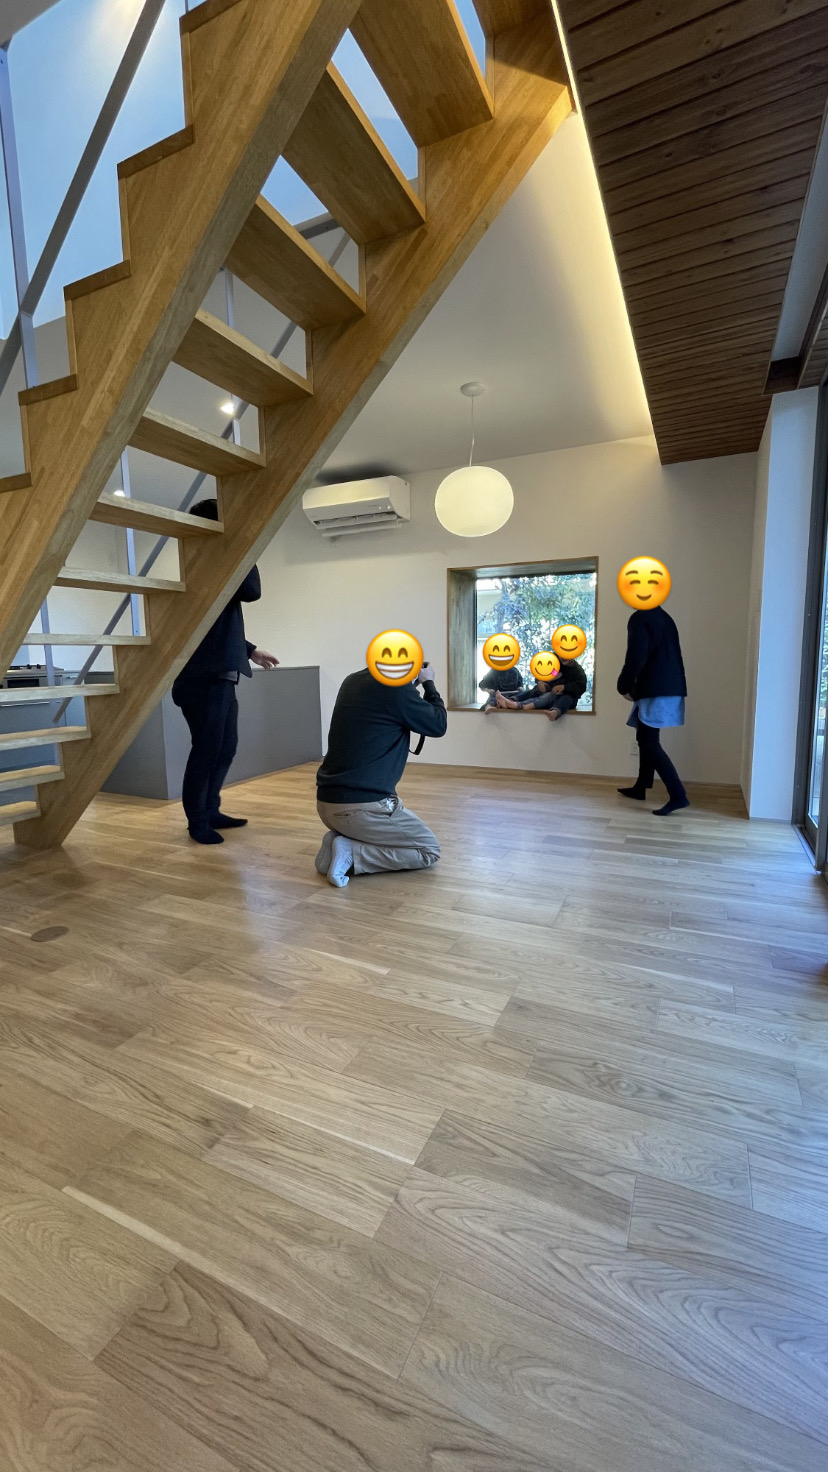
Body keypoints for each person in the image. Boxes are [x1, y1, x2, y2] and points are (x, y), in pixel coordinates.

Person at [171, 499, 279, 844]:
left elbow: (213, 625)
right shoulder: (209, 565)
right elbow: (252, 591)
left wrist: (250, 650)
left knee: (225, 747)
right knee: (207, 749)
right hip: (203, 678)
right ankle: (197, 821)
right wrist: (243, 542)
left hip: (219, 675)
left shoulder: (212, 566)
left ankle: (210, 810)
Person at [316, 660, 447, 886]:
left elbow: (386, 704)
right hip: (362, 809)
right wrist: (428, 683)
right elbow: (438, 724)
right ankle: (352, 852)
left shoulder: (352, 680)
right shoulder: (396, 688)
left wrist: (410, 685)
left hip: (327, 804)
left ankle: (336, 842)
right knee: (428, 850)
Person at [617, 603, 688, 815]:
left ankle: (678, 795)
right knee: (644, 737)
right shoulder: (664, 616)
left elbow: (636, 656)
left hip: (656, 688)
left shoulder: (641, 618)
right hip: (668, 686)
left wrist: (623, 685)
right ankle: (641, 786)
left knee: (649, 742)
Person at [496, 654, 587, 721]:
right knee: (535, 690)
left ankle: (555, 711)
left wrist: (564, 687)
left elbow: (581, 686)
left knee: (565, 698)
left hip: (564, 697)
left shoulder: (577, 671)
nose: (564, 656)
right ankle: (512, 700)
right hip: (549, 692)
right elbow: (542, 671)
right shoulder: (554, 661)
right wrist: (539, 681)